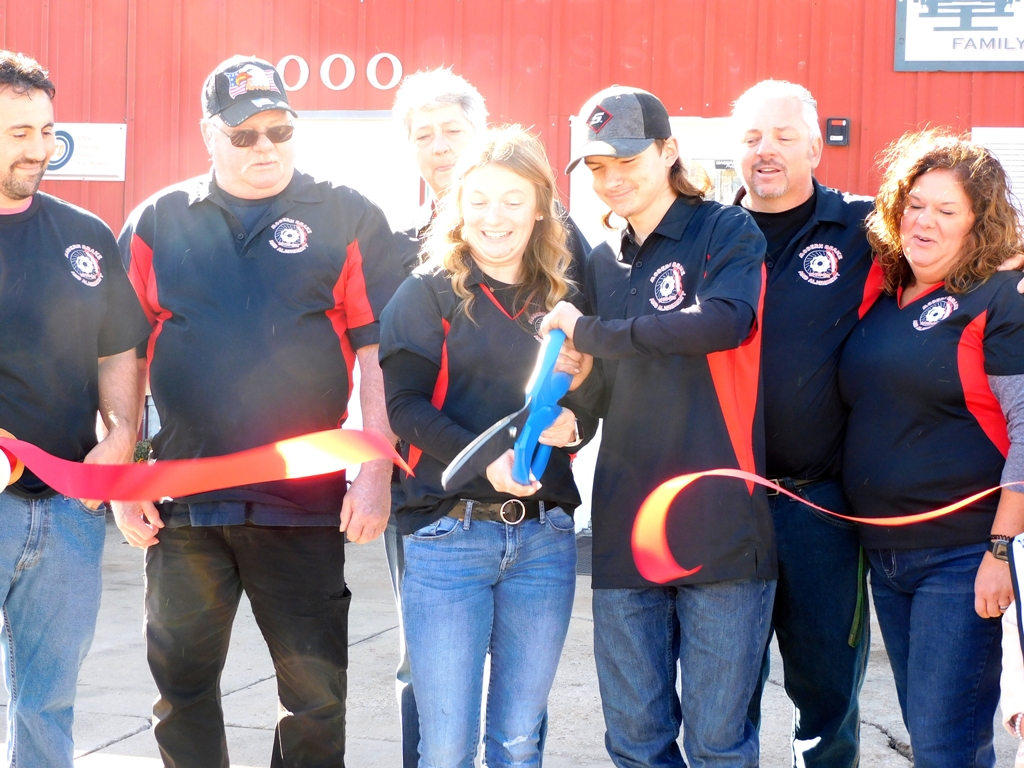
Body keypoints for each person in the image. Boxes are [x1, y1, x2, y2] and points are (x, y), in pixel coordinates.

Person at [113, 56, 401, 767]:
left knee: (315, 700)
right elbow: (123, 360)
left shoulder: (348, 214)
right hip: (184, 506)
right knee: (181, 692)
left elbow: (379, 355)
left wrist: (376, 472)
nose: (265, 147)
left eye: (280, 130)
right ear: (209, 134)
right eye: (244, 135)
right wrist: (125, 476)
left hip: (300, 503)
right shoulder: (157, 220)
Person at [544, 86, 776, 767]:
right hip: (626, 526)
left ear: (669, 151)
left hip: (720, 520)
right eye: (597, 166)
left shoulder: (726, 231)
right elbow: (599, 385)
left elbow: (726, 321)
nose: (612, 178)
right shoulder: (601, 259)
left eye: (627, 160)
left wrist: (593, 332)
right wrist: (569, 418)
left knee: (717, 743)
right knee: (635, 741)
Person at [386, 67, 591, 768]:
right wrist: (486, 460)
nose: (494, 216)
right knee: (446, 745)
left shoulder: (565, 294)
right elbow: (404, 408)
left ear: (540, 209)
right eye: (478, 200)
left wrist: (575, 425)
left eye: (512, 200)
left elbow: (595, 393)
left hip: (545, 537)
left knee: (518, 739)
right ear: (458, 206)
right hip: (450, 536)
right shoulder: (427, 293)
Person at [838, 128, 1024, 768]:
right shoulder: (883, 296)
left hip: (963, 555)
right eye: (915, 204)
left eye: (947, 210)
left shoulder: (1000, 298)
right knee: (932, 737)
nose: (924, 221)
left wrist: (1000, 551)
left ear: (978, 225)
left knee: (947, 747)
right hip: (886, 555)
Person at [0, 51, 149, 767]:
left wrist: (121, 435)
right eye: (18, 133)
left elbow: (119, 348)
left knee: (48, 702)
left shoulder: (85, 234)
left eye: (47, 131)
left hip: (67, 511)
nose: (39, 149)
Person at [731, 79, 878, 768]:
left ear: (816, 147)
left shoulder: (866, 228)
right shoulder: (708, 233)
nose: (767, 150)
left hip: (820, 507)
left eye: (784, 136)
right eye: (752, 137)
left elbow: (959, 243)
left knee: (827, 698)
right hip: (723, 503)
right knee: (722, 694)